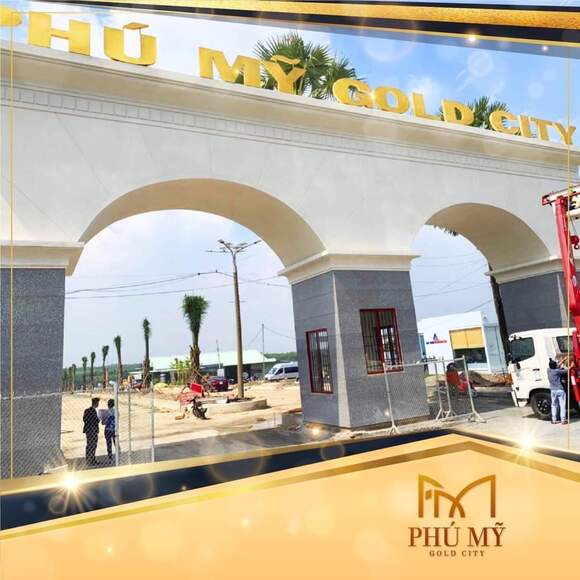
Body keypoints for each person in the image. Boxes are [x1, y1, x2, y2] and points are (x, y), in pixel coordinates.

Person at [547, 358, 567, 425]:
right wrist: (571, 366)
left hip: (553, 390)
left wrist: (562, 361)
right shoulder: (558, 371)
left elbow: (556, 366)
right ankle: (563, 420)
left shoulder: (548, 370)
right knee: (562, 405)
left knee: (554, 405)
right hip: (560, 390)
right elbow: (566, 371)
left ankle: (554, 420)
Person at [83, 397, 100, 465]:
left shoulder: (86, 410)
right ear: (96, 403)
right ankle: (92, 460)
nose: (98, 404)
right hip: (93, 430)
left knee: (89, 445)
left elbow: (84, 419)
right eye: (97, 403)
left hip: (88, 430)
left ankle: (89, 459)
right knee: (93, 445)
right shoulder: (93, 411)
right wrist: (98, 420)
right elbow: (95, 421)